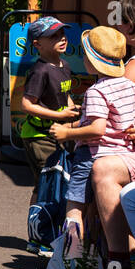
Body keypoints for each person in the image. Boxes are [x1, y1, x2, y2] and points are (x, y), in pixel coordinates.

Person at [50, 27, 135, 269]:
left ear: (91, 62)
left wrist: (67, 132)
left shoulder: (97, 90)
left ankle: (71, 261)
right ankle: (130, 258)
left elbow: (97, 129)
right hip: (124, 154)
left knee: (75, 209)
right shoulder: (131, 87)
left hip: (91, 154)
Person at [16, 17, 79, 182]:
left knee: (61, 181)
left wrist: (72, 109)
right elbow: (26, 105)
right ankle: (38, 209)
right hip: (39, 137)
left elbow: (64, 94)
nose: (62, 38)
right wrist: (59, 116)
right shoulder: (40, 71)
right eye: (54, 36)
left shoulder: (64, 65)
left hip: (58, 132)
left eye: (62, 33)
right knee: (45, 184)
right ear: (37, 44)